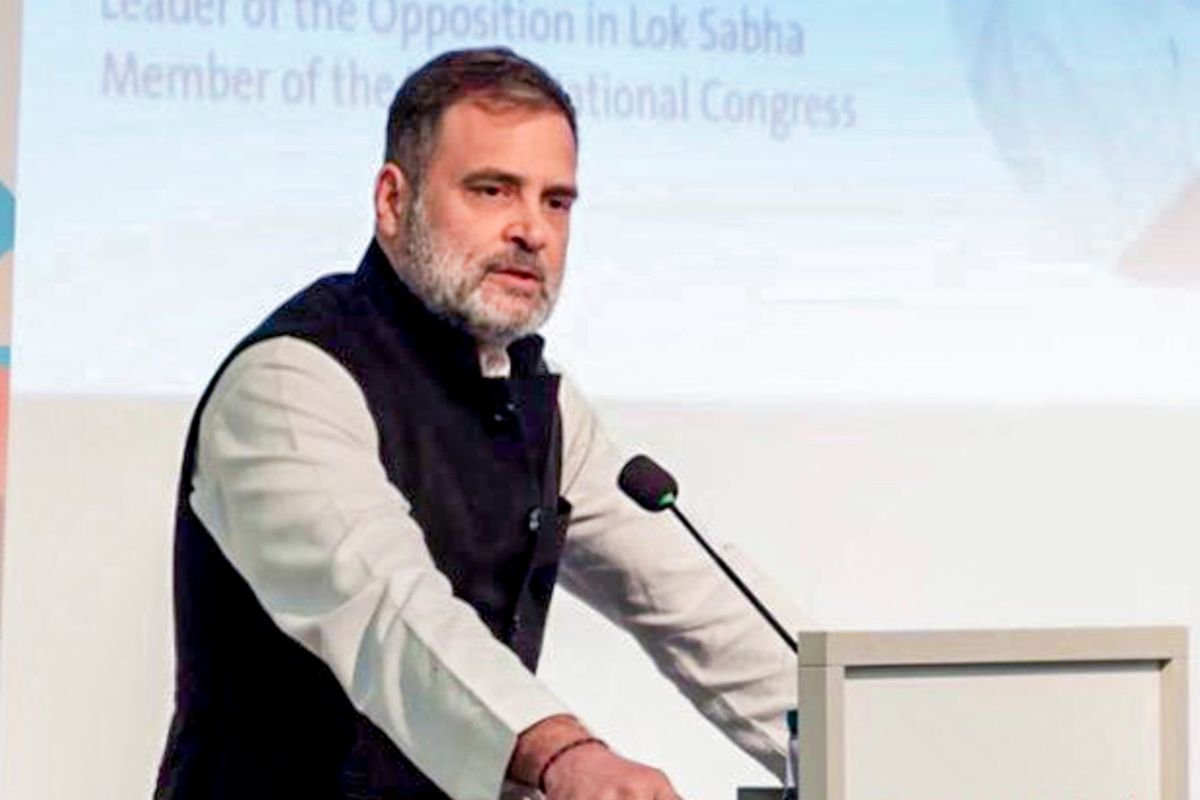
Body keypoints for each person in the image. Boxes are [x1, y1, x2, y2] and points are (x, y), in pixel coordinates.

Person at [155, 47, 796, 800]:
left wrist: (860, 733)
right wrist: (566, 755)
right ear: (392, 201)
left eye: (557, 202)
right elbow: (392, 614)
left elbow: (694, 604)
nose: (532, 230)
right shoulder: (288, 383)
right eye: (493, 190)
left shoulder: (537, 398)